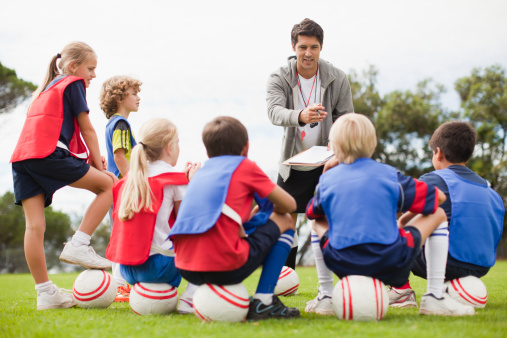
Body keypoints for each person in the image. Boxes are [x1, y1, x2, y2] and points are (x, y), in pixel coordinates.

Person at [306, 113, 475, 316]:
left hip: (341, 263)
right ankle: (435, 298)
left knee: (316, 221)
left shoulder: (328, 180)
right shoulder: (388, 175)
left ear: (333, 147)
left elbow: (311, 212)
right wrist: (404, 217)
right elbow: (438, 197)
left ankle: (326, 296)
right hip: (391, 263)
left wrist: (326, 176)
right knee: (438, 213)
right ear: (372, 143)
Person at [10, 41, 117, 310]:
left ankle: (45, 293)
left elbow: (55, 133)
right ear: (73, 67)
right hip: (46, 155)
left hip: (22, 158)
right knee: (108, 185)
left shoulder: (44, 90)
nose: (94, 75)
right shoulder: (72, 83)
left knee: (34, 227)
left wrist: (90, 159)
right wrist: (99, 166)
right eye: (91, 68)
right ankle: (79, 244)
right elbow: (88, 129)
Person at [169, 116, 300, 320]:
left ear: (207, 150)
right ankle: (265, 301)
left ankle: (190, 295)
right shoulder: (245, 166)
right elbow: (290, 205)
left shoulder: (200, 173)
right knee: (285, 220)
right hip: (224, 268)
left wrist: (256, 214)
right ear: (246, 148)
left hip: (185, 268)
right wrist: (268, 211)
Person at [266, 18, 354, 314]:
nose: (308, 53)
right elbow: (274, 112)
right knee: (285, 221)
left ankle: (335, 282)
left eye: (314, 47)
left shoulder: (337, 77)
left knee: (330, 220)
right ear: (293, 47)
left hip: (328, 163)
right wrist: (301, 115)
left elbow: (346, 117)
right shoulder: (279, 76)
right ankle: (283, 280)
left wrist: (336, 145)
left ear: (321, 48)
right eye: (302, 46)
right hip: (292, 164)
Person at [389, 122, 504, 309]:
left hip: (446, 262)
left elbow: (401, 215)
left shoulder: (435, 179)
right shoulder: (491, 191)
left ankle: (401, 290)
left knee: (389, 226)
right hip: (481, 267)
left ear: (439, 153)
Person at [106, 118, 201, 314]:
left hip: (128, 269)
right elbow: (186, 223)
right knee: (205, 235)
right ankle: (190, 298)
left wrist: (181, 181)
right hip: (159, 268)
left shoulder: (129, 180)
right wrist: (191, 184)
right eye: (178, 143)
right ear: (169, 147)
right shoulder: (174, 180)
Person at [100, 75, 142, 302]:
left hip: (116, 188)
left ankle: (120, 284)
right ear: (119, 98)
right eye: (134, 93)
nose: (138, 98)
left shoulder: (112, 124)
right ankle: (119, 285)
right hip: (123, 187)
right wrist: (136, 182)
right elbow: (120, 156)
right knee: (123, 235)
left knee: (118, 233)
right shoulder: (121, 124)